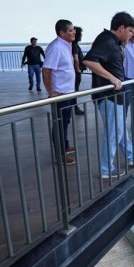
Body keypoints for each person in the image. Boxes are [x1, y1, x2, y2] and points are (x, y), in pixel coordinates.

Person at [83, 11, 134, 179]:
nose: (131, 35)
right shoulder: (106, 40)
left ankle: (131, 157)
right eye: (130, 31)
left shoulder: (113, 42)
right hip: (109, 96)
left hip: (114, 96)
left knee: (119, 130)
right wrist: (112, 78)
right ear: (121, 28)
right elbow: (89, 60)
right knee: (114, 132)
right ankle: (106, 169)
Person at [42, 19, 76, 165]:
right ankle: (60, 155)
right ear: (62, 33)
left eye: (73, 29)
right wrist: (51, 91)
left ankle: (65, 145)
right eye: (70, 30)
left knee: (65, 121)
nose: (74, 32)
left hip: (68, 92)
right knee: (59, 124)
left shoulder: (66, 45)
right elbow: (46, 70)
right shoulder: (56, 47)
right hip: (60, 93)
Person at [72, 26, 85, 115]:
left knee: (74, 89)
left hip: (74, 72)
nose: (81, 36)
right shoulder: (74, 45)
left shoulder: (72, 44)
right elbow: (75, 58)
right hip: (76, 72)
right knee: (75, 90)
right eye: (80, 34)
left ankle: (73, 107)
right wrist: (78, 69)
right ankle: (75, 108)